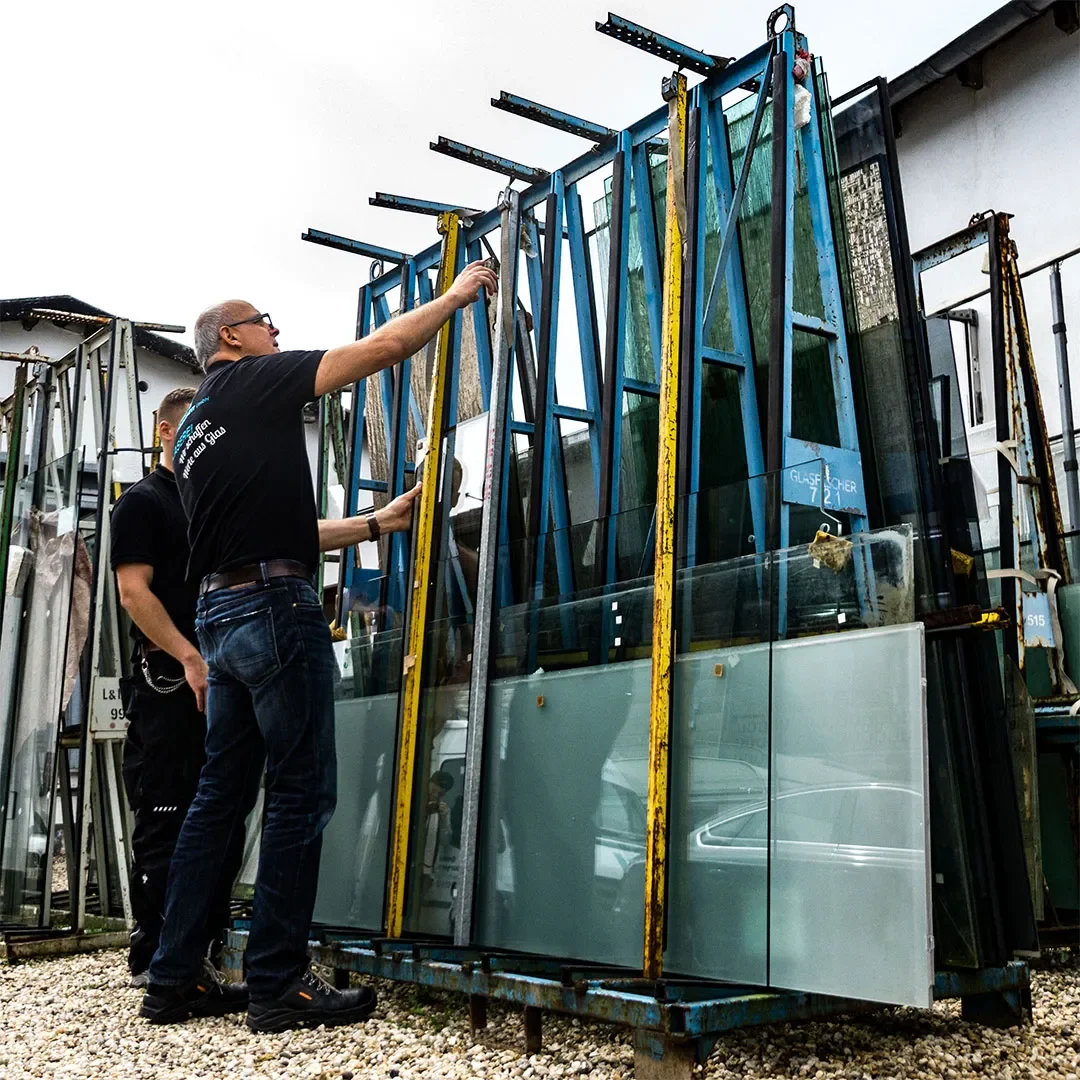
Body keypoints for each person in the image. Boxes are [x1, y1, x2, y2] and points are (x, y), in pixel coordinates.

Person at [139, 260, 497, 1031]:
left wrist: (378, 522)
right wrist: (457, 295)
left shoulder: (200, 423)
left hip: (222, 618)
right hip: (272, 611)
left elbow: (276, 532)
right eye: (266, 320)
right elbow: (380, 351)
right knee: (301, 793)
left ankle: (173, 978)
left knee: (218, 800)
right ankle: (278, 982)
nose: (278, 331)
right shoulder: (253, 382)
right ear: (231, 337)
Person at [112, 387, 245, 988]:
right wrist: (189, 655)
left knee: (224, 813)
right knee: (168, 810)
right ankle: (157, 956)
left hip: (223, 676)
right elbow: (133, 593)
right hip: (169, 680)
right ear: (167, 433)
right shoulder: (143, 502)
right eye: (192, 428)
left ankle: (203, 948)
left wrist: (376, 523)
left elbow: (292, 535)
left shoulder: (212, 500)